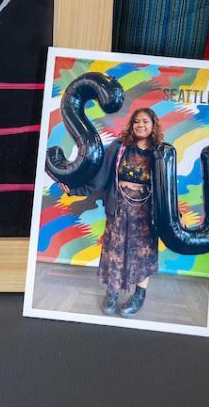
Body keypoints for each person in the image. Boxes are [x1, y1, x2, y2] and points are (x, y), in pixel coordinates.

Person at [61, 107, 162, 317]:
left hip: (146, 214)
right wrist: (73, 189)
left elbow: (167, 188)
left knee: (144, 254)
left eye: (145, 122)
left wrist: (175, 216)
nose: (140, 125)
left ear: (153, 125)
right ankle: (112, 293)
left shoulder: (160, 152)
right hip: (118, 210)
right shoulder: (119, 147)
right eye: (136, 122)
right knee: (114, 253)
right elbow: (100, 178)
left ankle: (139, 295)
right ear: (131, 125)